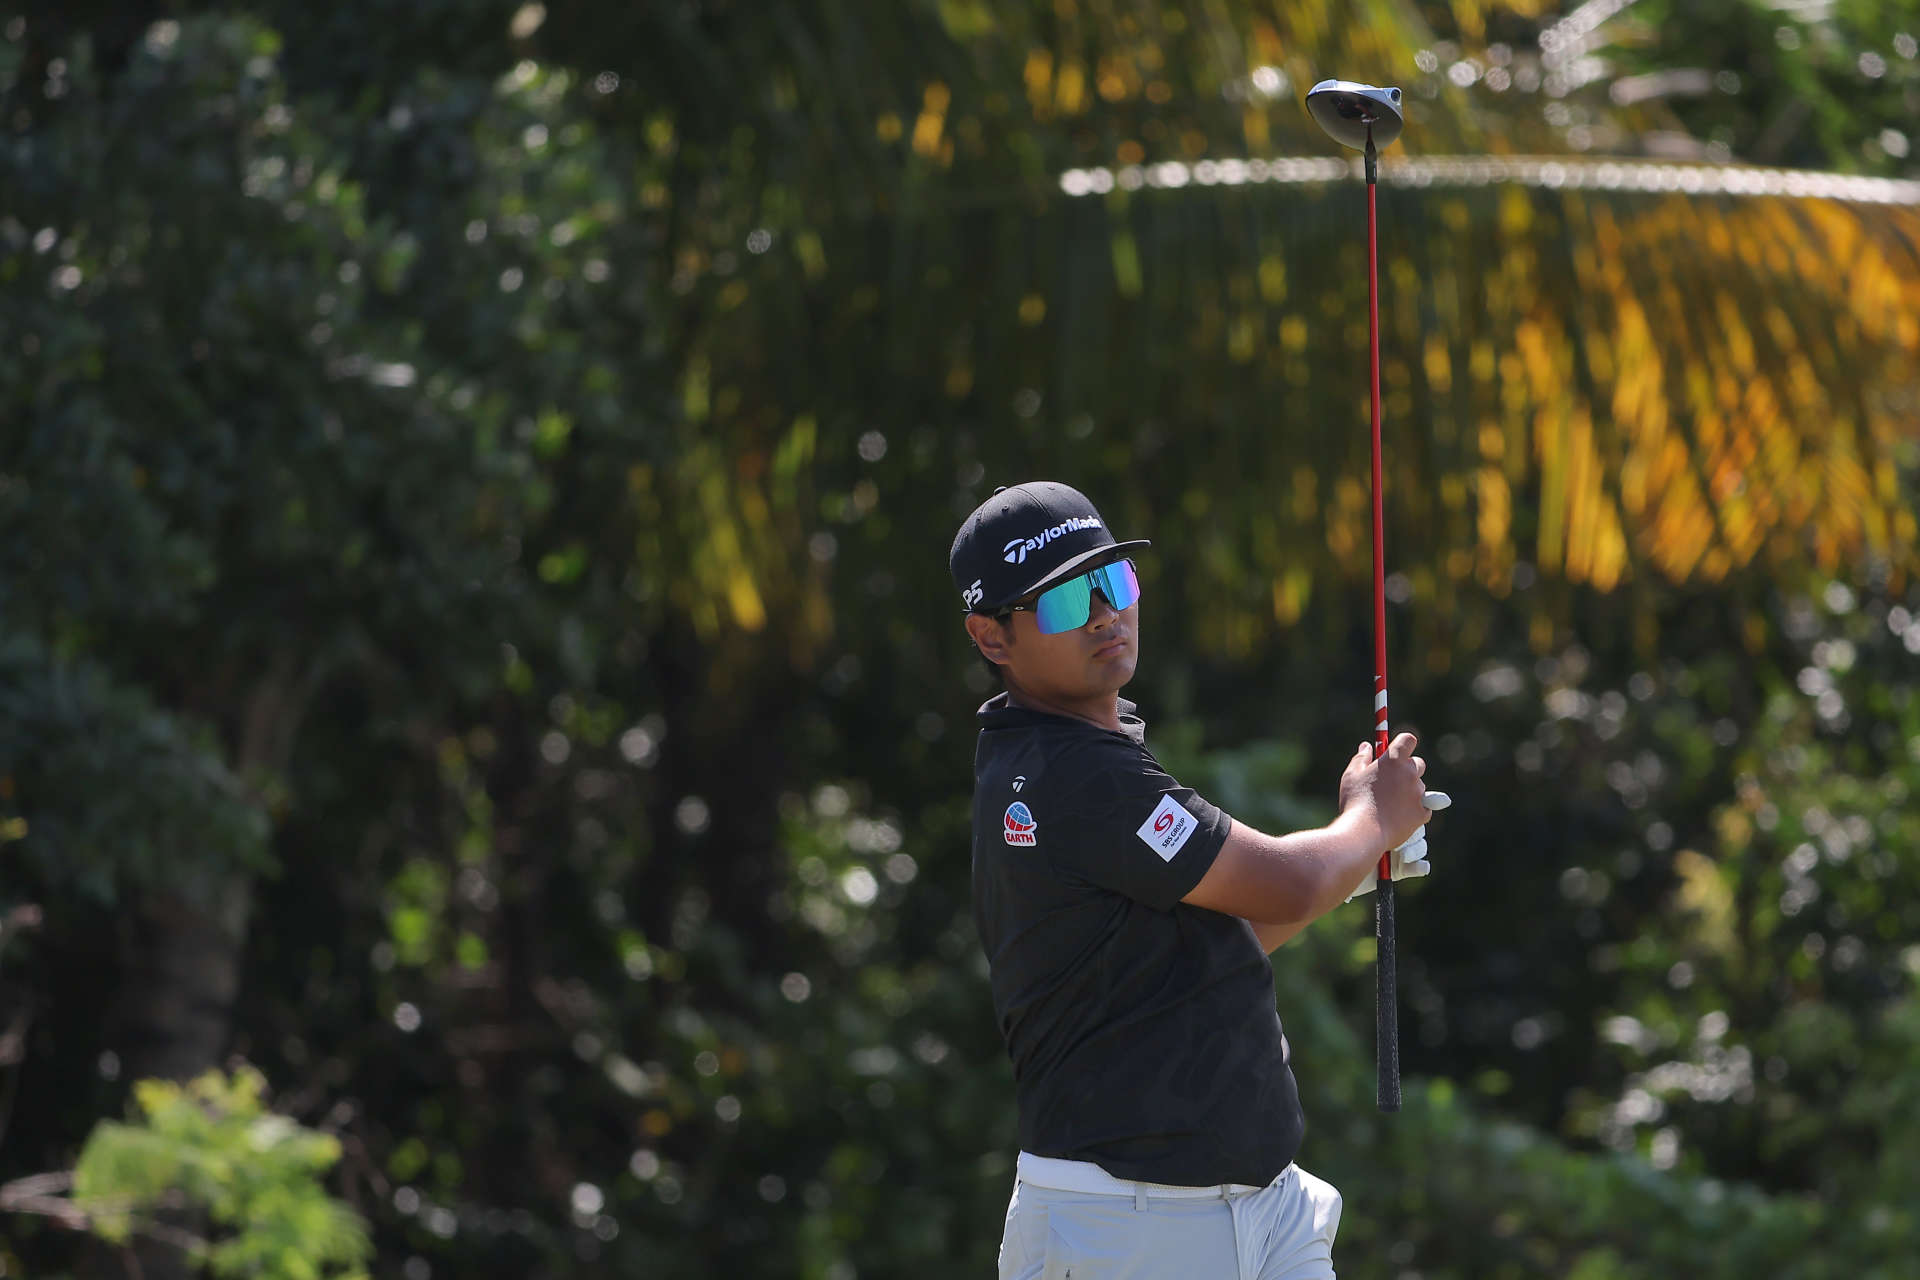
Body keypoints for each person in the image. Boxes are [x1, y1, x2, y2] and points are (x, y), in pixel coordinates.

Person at [950, 481, 1447, 1280]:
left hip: (1259, 1207)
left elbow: (1208, 947)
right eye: (1064, 600)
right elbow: (1283, 887)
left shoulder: (1080, 753)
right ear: (992, 637)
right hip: (1125, 1223)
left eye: (1112, 582)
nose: (1104, 613)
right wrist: (1369, 820)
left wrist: (1354, 865)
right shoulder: (1073, 773)